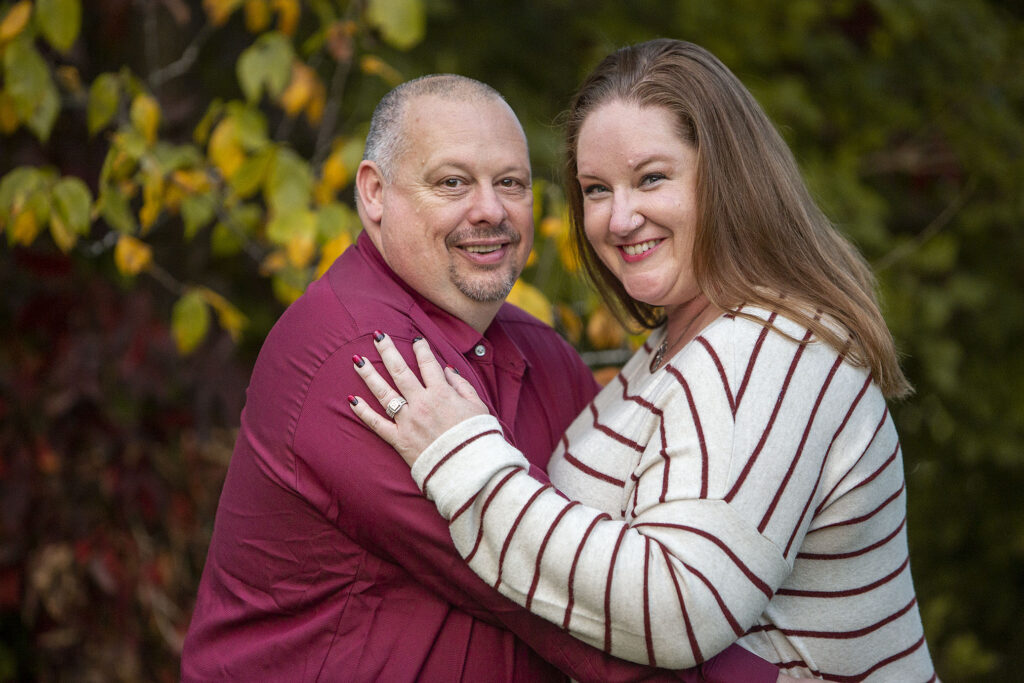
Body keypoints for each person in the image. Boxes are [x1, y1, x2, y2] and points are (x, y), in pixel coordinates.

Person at [350, 41, 938, 681]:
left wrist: (465, 459)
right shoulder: (678, 343)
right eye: (597, 189)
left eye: (651, 178)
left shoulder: (769, 350)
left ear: (728, 176)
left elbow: (678, 609)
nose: (620, 218)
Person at [181, 73, 782, 681]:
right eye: (452, 183)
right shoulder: (363, 359)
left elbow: (628, 550)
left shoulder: (543, 353)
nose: (490, 210)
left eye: (511, 183)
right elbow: (557, 604)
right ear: (374, 193)